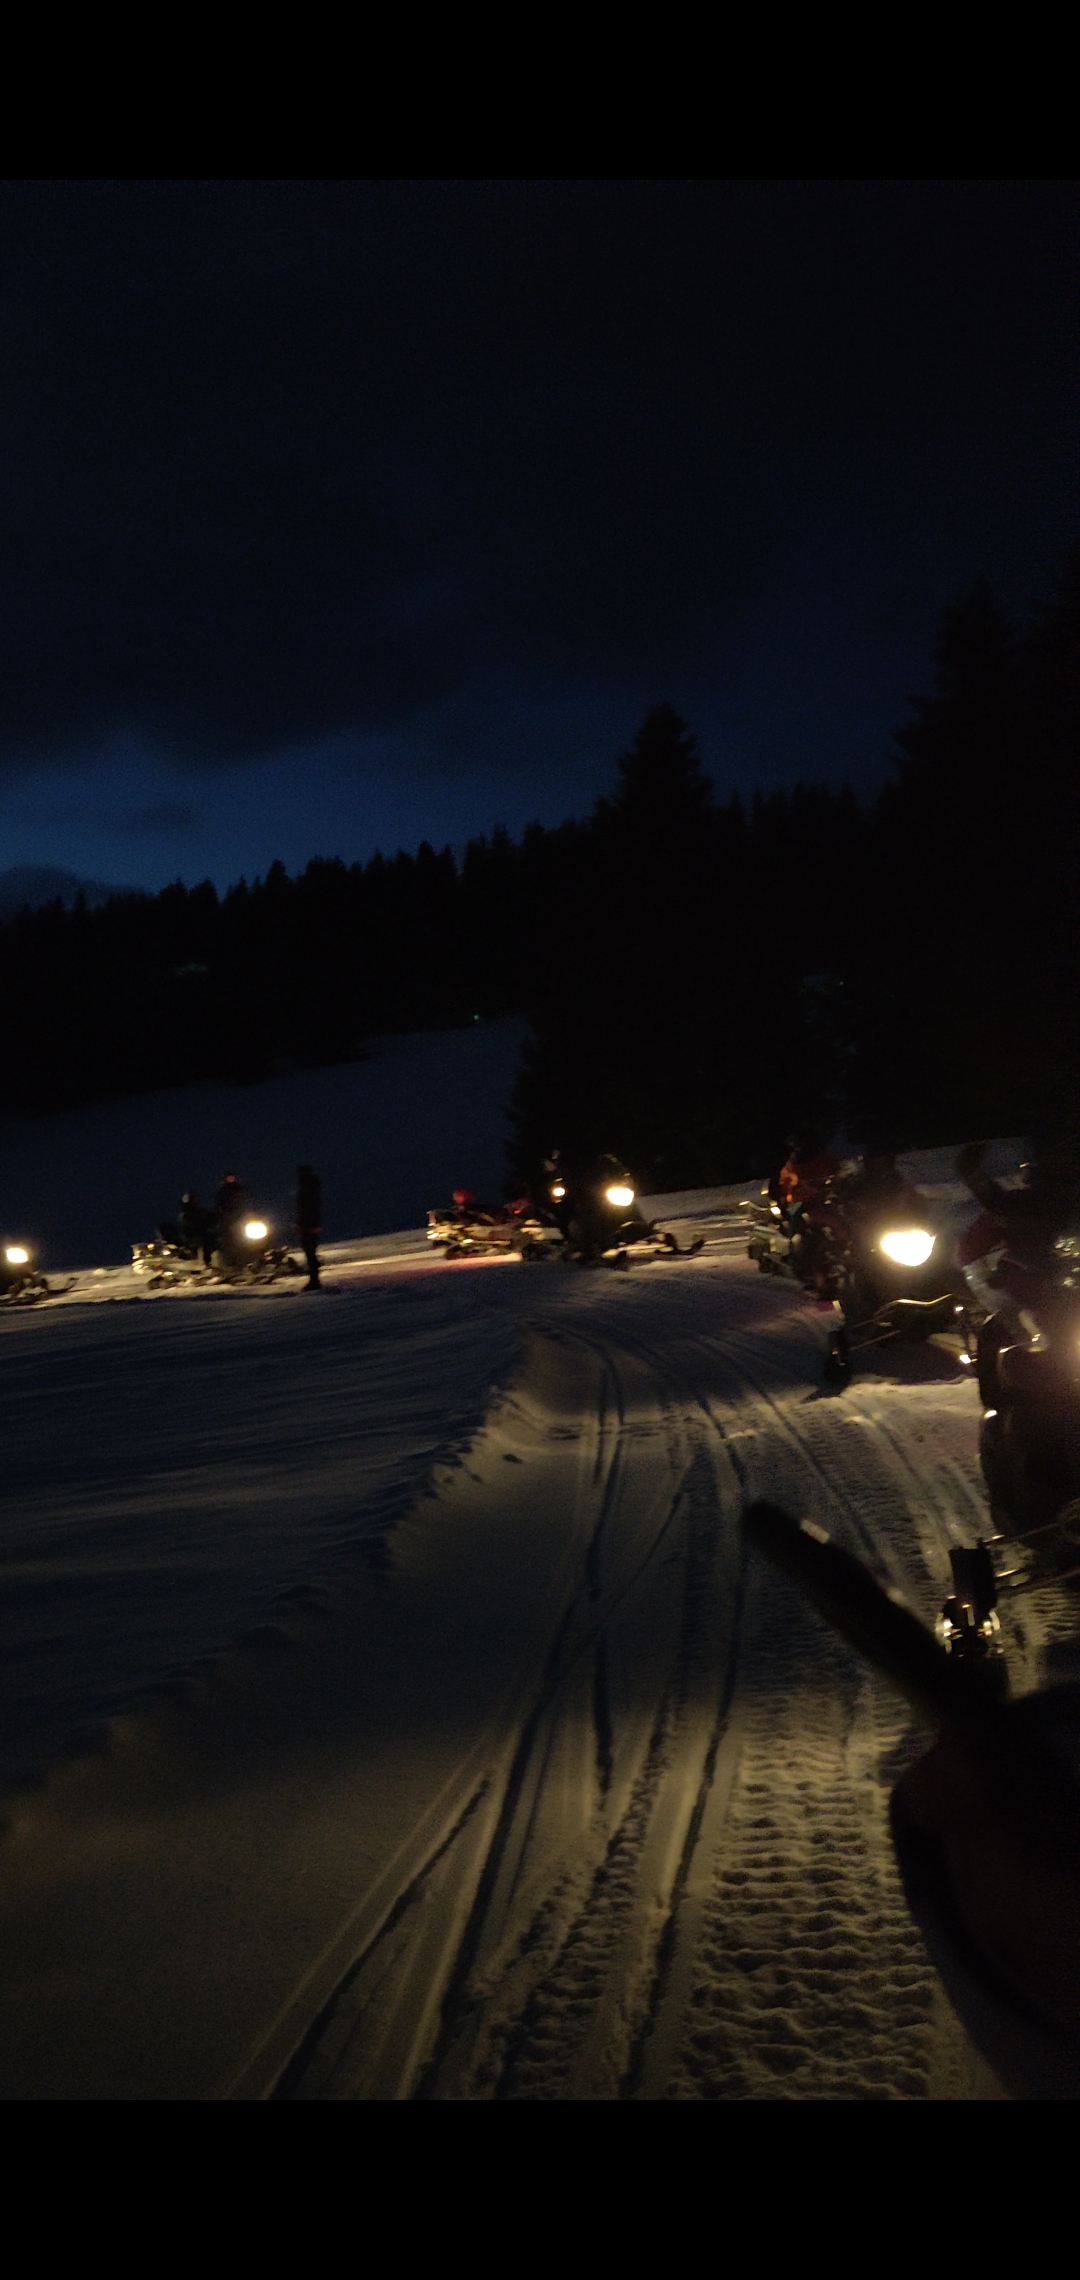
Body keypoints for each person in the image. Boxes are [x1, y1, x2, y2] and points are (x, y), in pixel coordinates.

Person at [295, 1164, 323, 1289]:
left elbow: (307, 1208)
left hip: (309, 1224)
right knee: (310, 1252)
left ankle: (314, 1280)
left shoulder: (307, 1189)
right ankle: (314, 1279)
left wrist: (302, 1224)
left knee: (310, 1253)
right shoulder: (310, 1188)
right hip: (310, 1224)